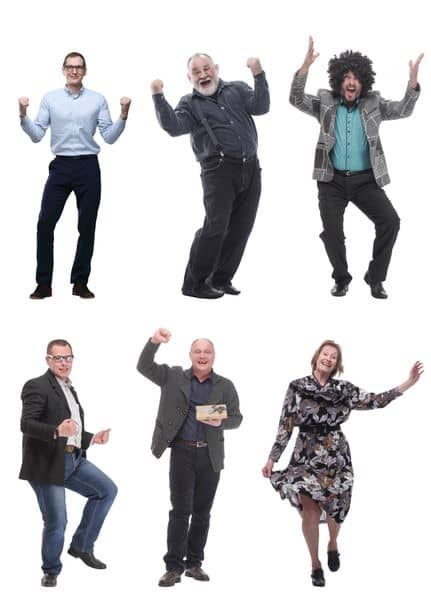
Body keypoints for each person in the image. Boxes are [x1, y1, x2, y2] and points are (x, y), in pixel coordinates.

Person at [262, 341, 422, 586]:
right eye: (325, 354)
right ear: (316, 357)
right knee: (310, 512)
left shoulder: (344, 389)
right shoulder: (297, 386)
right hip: (305, 455)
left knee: (337, 509)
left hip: (336, 454)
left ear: (337, 364)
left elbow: (376, 400)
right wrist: (273, 458)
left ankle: (333, 543)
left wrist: (408, 383)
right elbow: (285, 424)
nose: (328, 358)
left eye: (333, 357)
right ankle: (315, 564)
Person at [289, 37, 422, 299]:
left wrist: (413, 84)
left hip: (365, 181)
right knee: (332, 232)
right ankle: (341, 279)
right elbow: (296, 99)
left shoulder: (374, 103)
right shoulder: (326, 102)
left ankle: (375, 278)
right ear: (339, 80)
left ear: (364, 82)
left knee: (390, 222)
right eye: (346, 77)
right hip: (332, 180)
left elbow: (404, 110)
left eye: (356, 78)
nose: (351, 82)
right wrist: (304, 68)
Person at [152, 53, 270, 299]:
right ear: (189, 78)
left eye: (207, 68)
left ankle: (220, 279)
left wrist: (258, 73)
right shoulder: (190, 103)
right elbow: (174, 127)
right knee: (215, 227)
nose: (203, 74)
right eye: (196, 72)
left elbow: (261, 106)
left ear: (216, 69)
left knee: (241, 228)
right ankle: (194, 285)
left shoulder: (236, 89)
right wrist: (158, 96)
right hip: (218, 171)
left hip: (250, 168)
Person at [138, 329, 243, 587]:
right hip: (182, 452)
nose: (202, 355)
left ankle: (194, 564)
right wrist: (154, 343)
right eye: (198, 351)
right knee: (180, 511)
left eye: (207, 351)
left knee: (202, 512)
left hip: (210, 454)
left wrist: (222, 420)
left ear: (214, 356)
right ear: (190, 355)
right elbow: (144, 366)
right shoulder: (173, 376)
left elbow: (237, 418)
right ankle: (173, 567)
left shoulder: (225, 385)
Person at [19, 51, 128, 299]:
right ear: (63, 70)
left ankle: (80, 282)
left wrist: (123, 114)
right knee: (45, 223)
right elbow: (37, 135)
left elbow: (109, 136)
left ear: (85, 71)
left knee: (87, 226)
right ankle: (44, 284)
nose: (74, 71)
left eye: (79, 67)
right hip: (60, 167)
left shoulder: (97, 99)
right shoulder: (51, 99)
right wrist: (23, 115)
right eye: (70, 66)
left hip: (88, 167)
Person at [20, 339, 116, 587]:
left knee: (106, 490)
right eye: (58, 358)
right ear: (48, 360)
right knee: (57, 521)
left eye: (68, 358)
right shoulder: (36, 386)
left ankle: (82, 547)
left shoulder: (69, 388)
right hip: (47, 463)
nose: (64, 363)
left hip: (74, 459)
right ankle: (51, 570)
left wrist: (92, 438)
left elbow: (71, 428)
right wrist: (55, 430)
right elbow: (26, 424)